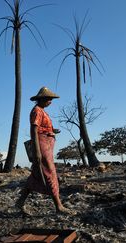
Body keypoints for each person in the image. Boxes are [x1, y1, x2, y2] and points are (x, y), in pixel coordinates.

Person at [15, 87, 74, 215]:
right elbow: (34, 131)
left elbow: (42, 128)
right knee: (49, 173)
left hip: (46, 144)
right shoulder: (37, 111)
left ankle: (20, 201)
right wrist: (37, 151)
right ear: (42, 99)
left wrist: (52, 131)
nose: (50, 102)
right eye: (49, 99)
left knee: (36, 174)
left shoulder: (42, 111)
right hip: (41, 145)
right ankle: (59, 206)